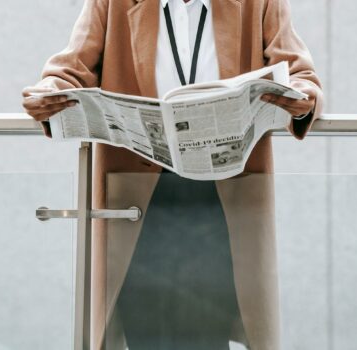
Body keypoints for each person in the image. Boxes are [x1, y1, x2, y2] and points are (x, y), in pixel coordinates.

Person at [22, 0, 323, 349]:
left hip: (223, 200)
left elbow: (301, 74)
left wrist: (304, 97)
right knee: (143, 325)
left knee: (209, 327)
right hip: (138, 202)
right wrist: (49, 92)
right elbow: (69, 70)